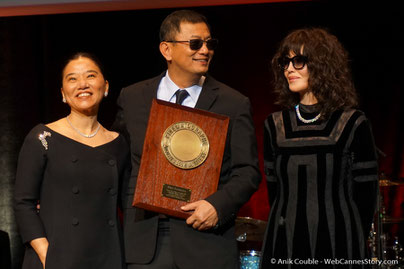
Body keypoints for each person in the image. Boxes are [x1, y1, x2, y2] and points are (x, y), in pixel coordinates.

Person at [113, 9, 261, 269]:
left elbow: (247, 171)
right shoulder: (133, 97)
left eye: (209, 43)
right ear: (166, 50)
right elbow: (116, 163)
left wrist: (217, 206)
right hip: (144, 244)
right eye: (195, 43)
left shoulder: (233, 103)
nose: (205, 50)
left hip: (206, 243)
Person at [260, 27, 378, 268]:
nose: (289, 69)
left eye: (299, 61)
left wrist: (353, 243)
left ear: (323, 65)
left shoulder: (353, 123)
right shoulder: (275, 125)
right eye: (285, 62)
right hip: (285, 245)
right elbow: (275, 194)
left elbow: (366, 197)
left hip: (339, 245)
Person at [14, 52, 130, 269]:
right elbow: (23, 203)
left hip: (108, 256)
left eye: (90, 76)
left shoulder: (118, 143)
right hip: (57, 257)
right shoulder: (43, 137)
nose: (82, 84)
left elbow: (128, 204)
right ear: (63, 93)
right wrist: (47, 255)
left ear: (105, 87)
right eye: (72, 79)